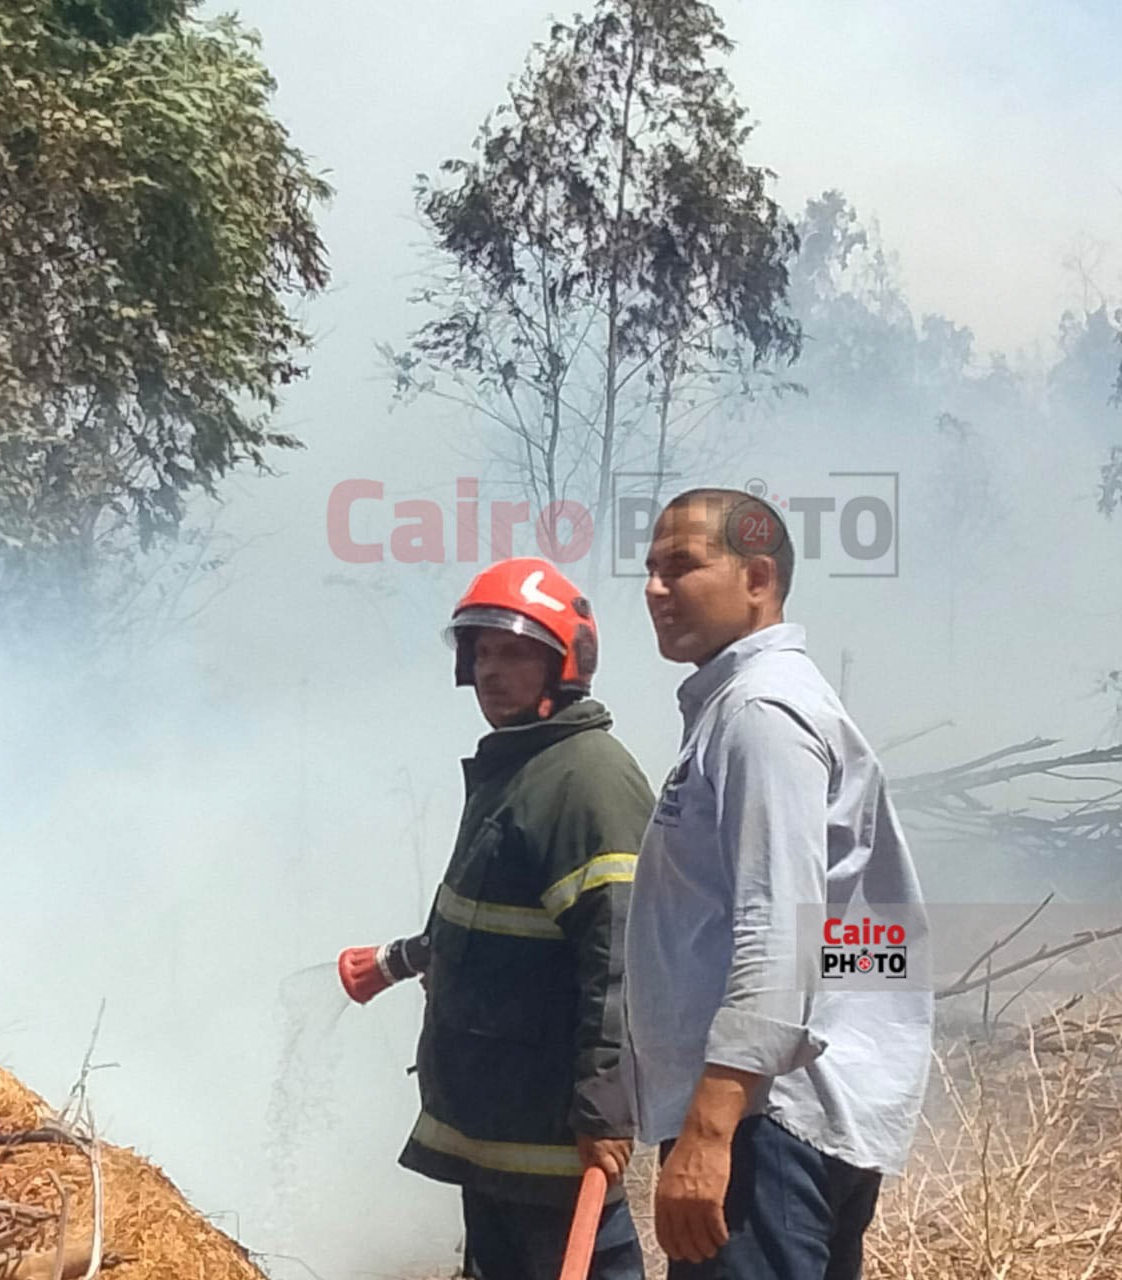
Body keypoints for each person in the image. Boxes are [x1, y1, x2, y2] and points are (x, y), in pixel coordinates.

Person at [624, 488, 932, 1280]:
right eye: (651, 570)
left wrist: (711, 1130)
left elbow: (779, 931)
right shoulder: (752, 706)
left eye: (681, 567)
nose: (655, 589)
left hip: (764, 1122)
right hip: (784, 1117)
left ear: (758, 578)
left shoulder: (760, 714)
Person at [399, 556, 654, 1280]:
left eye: (514, 653)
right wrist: (403, 960)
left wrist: (604, 1109)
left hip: (552, 1145)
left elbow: (618, 958)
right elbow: (492, 926)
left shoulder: (586, 778)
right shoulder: (519, 768)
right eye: (482, 652)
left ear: (564, 665)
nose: (490, 670)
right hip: (496, 1132)